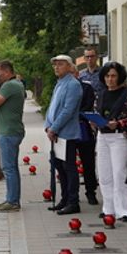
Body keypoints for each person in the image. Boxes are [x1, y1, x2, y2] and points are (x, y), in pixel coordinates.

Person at [93, 62, 127, 222]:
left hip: (119, 137)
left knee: (120, 173)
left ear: (119, 77)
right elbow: (96, 111)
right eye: (107, 76)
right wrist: (93, 121)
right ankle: (109, 208)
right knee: (104, 174)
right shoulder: (101, 94)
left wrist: (120, 123)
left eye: (113, 76)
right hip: (102, 136)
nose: (110, 79)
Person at [44, 55, 83, 215]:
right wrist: (48, 125)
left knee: (69, 168)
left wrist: (54, 128)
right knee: (59, 167)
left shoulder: (73, 85)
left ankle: (73, 202)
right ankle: (64, 199)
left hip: (66, 134)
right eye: (55, 65)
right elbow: (52, 106)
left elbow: (68, 110)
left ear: (69, 66)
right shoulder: (59, 83)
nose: (56, 67)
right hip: (55, 133)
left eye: (60, 64)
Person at [0, 60, 24, 212]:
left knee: (9, 168)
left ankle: (12, 201)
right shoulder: (15, 84)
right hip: (10, 131)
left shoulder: (10, 85)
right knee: (11, 167)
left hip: (8, 132)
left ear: (7, 71)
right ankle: (12, 199)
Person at [76, 47, 102, 205]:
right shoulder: (82, 75)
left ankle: (92, 189)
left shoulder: (103, 73)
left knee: (90, 157)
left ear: (96, 57)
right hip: (84, 118)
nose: (90, 59)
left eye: (92, 56)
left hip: (99, 113)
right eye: (87, 57)